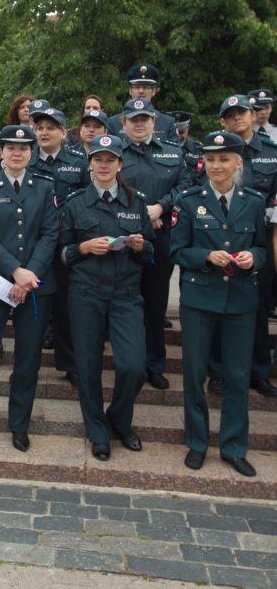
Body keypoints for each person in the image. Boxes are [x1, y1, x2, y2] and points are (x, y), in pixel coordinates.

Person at [170, 130, 266, 478]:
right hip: (200, 298)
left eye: (224, 159)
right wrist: (206, 255)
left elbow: (263, 248)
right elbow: (176, 250)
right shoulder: (188, 200)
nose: (216, 165)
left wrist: (252, 258)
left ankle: (234, 446)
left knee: (238, 376)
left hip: (240, 300)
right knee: (195, 374)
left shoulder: (254, 201)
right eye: (210, 159)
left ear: (237, 162)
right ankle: (197, 443)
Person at [58, 134, 154, 460]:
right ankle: (98, 430)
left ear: (119, 164)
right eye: (98, 159)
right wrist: (84, 248)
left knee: (134, 366)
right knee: (88, 366)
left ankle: (119, 420)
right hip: (86, 293)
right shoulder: (75, 203)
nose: (103, 164)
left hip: (126, 294)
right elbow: (63, 253)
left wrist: (142, 246)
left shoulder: (136, 202)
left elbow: (151, 252)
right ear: (89, 165)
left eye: (110, 159)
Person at [0, 125, 57, 452]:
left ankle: (19, 424)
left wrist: (28, 274)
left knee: (28, 358)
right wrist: (14, 271)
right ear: (1, 151)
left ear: (31, 152)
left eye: (23, 148)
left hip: (34, 285)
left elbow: (50, 235)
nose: (17, 153)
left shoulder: (45, 187)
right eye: (10, 147)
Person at [118, 98, 190, 390]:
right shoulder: (114, 153)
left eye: (144, 119)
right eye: (133, 119)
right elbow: (105, 185)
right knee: (126, 302)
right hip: (126, 237)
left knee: (156, 303)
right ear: (124, 123)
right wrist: (141, 217)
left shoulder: (173, 153)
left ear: (154, 122)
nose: (138, 124)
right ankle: (128, 361)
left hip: (160, 238)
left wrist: (161, 208)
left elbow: (185, 186)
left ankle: (154, 363)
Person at [207, 95, 277, 397]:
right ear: (223, 121)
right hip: (222, 234)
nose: (237, 119)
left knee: (258, 305)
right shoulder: (215, 151)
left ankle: (259, 371)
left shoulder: (272, 153)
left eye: (242, 113)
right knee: (220, 306)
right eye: (231, 115)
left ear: (253, 115)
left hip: (260, 236)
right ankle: (218, 371)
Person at [28, 107, 87, 384]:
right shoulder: (26, 161)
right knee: (33, 307)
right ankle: (29, 362)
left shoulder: (78, 162)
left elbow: (87, 202)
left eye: (51, 127)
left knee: (65, 307)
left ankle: (69, 363)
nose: (44, 132)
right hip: (33, 245)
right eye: (39, 128)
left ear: (64, 132)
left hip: (65, 246)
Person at [107, 63, 178, 140]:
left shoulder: (168, 122)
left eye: (146, 87)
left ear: (154, 91)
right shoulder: (113, 123)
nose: (141, 91)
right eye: (137, 87)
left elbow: (174, 151)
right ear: (130, 91)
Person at [170, 111, 203, 181]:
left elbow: (202, 177)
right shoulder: (162, 148)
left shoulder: (197, 150)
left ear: (188, 128)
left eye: (181, 132)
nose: (178, 136)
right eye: (174, 132)